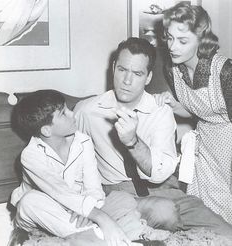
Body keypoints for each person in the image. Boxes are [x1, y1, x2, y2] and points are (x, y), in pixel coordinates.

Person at [74, 37, 232, 236]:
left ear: (148, 77)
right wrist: (83, 205)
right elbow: (72, 164)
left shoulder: (160, 111)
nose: (127, 81)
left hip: (164, 190)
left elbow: (159, 173)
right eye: (122, 70)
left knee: (226, 233)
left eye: (137, 73)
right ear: (113, 68)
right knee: (164, 212)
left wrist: (132, 142)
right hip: (117, 194)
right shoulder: (87, 112)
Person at [9, 90, 176, 246]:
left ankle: (97, 236)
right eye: (63, 113)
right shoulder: (30, 156)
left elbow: (93, 188)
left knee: (123, 199)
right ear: (46, 130)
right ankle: (112, 236)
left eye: (67, 108)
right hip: (46, 214)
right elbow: (61, 194)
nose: (72, 113)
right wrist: (103, 220)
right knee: (29, 201)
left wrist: (90, 211)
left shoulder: (82, 141)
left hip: (81, 212)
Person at [154, 2, 232, 224]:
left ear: (201, 39)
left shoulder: (225, 71)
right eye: (169, 38)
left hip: (229, 146)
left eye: (182, 40)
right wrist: (172, 104)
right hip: (205, 146)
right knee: (207, 214)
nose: (172, 47)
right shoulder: (172, 69)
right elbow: (195, 112)